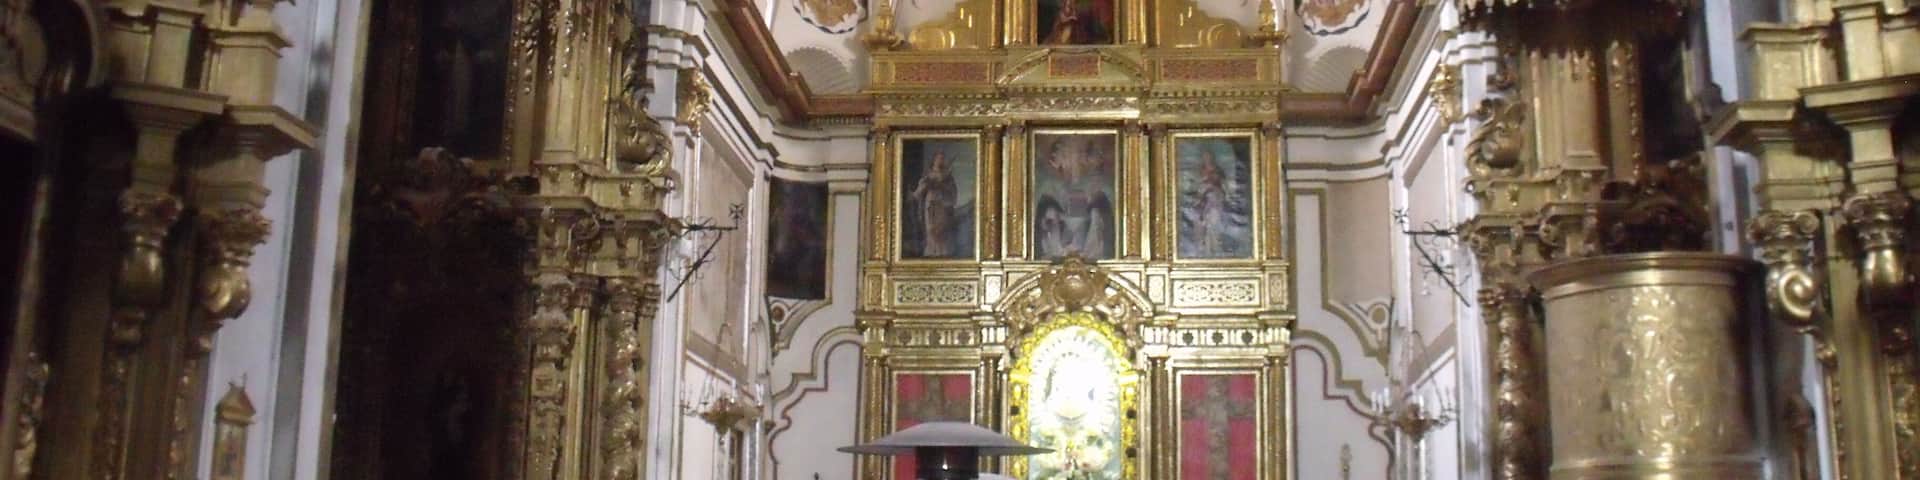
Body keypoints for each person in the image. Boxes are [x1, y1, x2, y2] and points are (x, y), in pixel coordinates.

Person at [908, 150, 957, 257]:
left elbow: (953, 193)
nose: (941, 161)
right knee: (930, 229)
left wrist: (942, 186)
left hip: (942, 205)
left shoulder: (948, 177)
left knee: (941, 229)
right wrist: (916, 193)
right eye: (939, 158)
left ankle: (942, 252)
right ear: (934, 160)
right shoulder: (928, 175)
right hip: (930, 205)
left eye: (942, 159)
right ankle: (932, 252)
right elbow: (920, 190)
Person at [1192, 150, 1229, 256]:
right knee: (1201, 225)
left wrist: (1212, 189)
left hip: (1214, 202)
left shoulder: (1218, 172)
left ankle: (1215, 248)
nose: (1206, 159)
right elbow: (1197, 189)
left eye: (1208, 157)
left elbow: (1223, 188)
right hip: (1202, 204)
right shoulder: (1200, 172)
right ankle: (1203, 248)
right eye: (1205, 157)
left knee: (1213, 225)